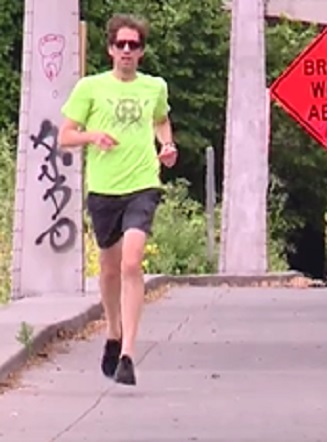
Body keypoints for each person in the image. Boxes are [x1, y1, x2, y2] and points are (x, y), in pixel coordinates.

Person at [57, 13, 177, 386]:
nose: (127, 51)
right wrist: (93, 137)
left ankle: (128, 353)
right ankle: (113, 330)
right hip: (105, 189)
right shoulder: (90, 87)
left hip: (143, 183)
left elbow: (160, 120)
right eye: (121, 44)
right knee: (109, 269)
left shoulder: (154, 86)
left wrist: (167, 144)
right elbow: (65, 136)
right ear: (110, 48)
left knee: (131, 263)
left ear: (141, 51)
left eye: (134, 45)